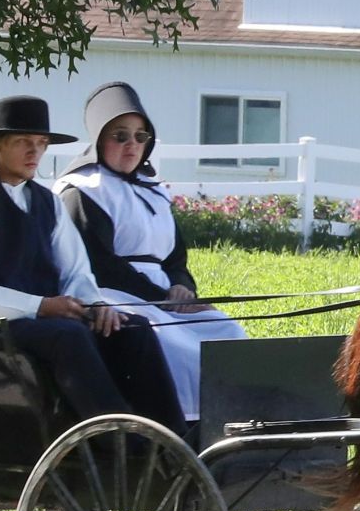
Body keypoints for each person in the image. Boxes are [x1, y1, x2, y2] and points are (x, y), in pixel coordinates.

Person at [0, 94, 185, 434]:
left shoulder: (46, 202)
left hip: (46, 320)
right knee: (67, 336)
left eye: (41, 143)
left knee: (132, 328)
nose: (34, 152)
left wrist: (95, 305)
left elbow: (76, 270)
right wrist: (43, 306)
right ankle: (117, 437)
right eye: (23, 142)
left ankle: (171, 437)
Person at [55, 82, 246, 422]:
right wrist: (161, 297)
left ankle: (235, 419)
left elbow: (174, 257)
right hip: (112, 297)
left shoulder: (154, 192)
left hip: (163, 298)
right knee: (174, 346)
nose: (132, 146)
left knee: (226, 331)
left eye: (140, 137)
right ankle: (188, 426)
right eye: (121, 136)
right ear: (100, 138)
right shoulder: (82, 191)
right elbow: (100, 265)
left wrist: (182, 286)